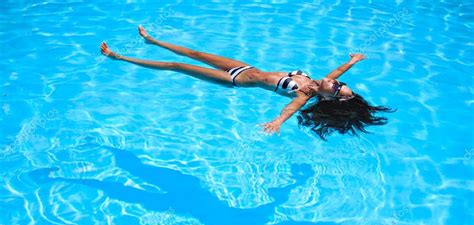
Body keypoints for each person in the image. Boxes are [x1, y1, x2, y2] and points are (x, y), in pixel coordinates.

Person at [100, 26, 393, 139]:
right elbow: (337, 73)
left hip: (235, 82)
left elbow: (289, 109)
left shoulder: (305, 94)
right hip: (245, 68)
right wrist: (352, 61)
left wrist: (278, 122)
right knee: (195, 52)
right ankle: (151, 40)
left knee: (178, 66)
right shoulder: (322, 82)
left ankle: (119, 57)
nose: (338, 83)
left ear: (330, 98)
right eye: (342, 85)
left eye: (339, 88)